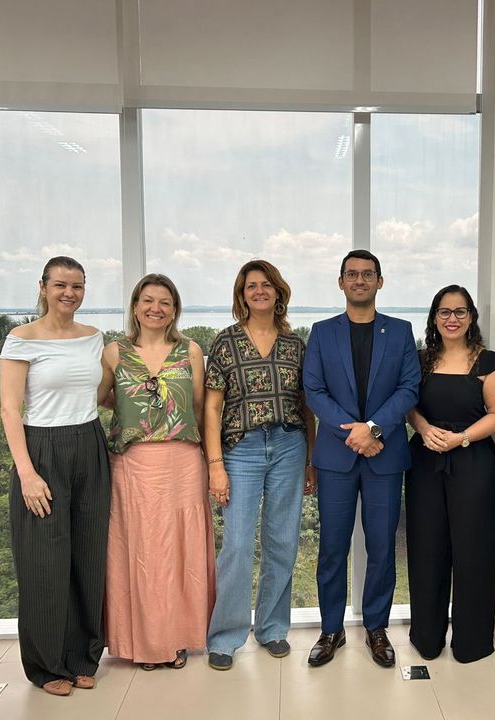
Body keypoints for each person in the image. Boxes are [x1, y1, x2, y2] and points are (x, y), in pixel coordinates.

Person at [303, 250, 421, 668]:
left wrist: (372, 429)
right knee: (332, 548)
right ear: (340, 283)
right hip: (336, 459)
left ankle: (376, 629)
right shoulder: (321, 332)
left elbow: (409, 389)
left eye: (367, 274)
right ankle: (330, 630)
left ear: (380, 282)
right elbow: (313, 391)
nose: (359, 280)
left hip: (384, 456)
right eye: (351, 274)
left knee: (382, 548)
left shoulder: (402, 332)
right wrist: (354, 432)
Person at [0, 256, 110, 696]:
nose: (70, 293)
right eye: (61, 285)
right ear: (43, 287)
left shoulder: (93, 338)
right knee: (44, 562)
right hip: (41, 450)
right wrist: (27, 473)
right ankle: (47, 666)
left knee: (88, 555)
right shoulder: (21, 339)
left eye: (78, 286)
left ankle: (84, 656)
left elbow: (100, 393)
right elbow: (10, 409)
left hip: (90, 444)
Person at [99, 273, 216, 671]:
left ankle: (178, 637)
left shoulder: (191, 351)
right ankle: (145, 643)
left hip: (183, 461)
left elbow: (199, 406)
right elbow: (101, 398)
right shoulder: (114, 351)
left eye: (165, 302)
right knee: (140, 552)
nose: (156, 308)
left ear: (175, 310)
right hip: (132, 464)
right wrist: (139, 415)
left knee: (179, 552)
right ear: (135, 307)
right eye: (148, 300)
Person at [204, 260, 316, 671]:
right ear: (242, 294)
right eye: (252, 286)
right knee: (235, 545)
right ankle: (226, 636)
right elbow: (212, 408)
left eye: (266, 285)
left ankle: (271, 628)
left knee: (282, 541)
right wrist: (215, 464)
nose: (259, 291)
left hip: (289, 446)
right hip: (241, 450)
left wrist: (310, 461)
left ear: (278, 292)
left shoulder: (295, 345)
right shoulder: (226, 342)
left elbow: (307, 410)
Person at [405, 285, 495, 663]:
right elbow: (408, 405)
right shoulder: (418, 361)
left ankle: (472, 643)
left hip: (473, 463)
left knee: (474, 553)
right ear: (434, 318)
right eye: (445, 312)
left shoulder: (489, 363)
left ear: (471, 318)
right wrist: (422, 428)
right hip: (425, 462)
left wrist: (460, 438)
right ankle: (427, 639)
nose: (452, 319)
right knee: (427, 548)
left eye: (460, 312)